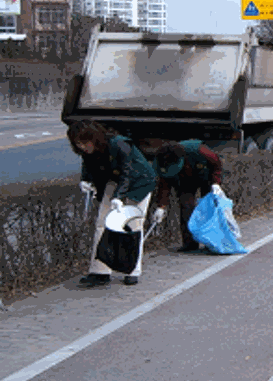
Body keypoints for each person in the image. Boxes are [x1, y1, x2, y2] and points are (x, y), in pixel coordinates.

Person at [67, 120, 157, 286]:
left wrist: (118, 197)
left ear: (94, 138)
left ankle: (132, 270)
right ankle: (99, 271)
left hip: (139, 182)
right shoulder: (88, 151)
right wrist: (86, 180)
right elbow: (88, 166)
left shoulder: (119, 144)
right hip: (115, 181)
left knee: (133, 225)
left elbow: (127, 172)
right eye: (78, 144)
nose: (83, 147)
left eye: (85, 142)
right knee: (102, 224)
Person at [150, 139, 224, 253]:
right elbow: (164, 185)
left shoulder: (199, 151)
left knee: (208, 208)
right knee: (186, 207)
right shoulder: (163, 162)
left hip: (206, 177)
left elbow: (217, 164)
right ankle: (190, 243)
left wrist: (216, 183)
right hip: (184, 182)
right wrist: (161, 207)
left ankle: (211, 242)